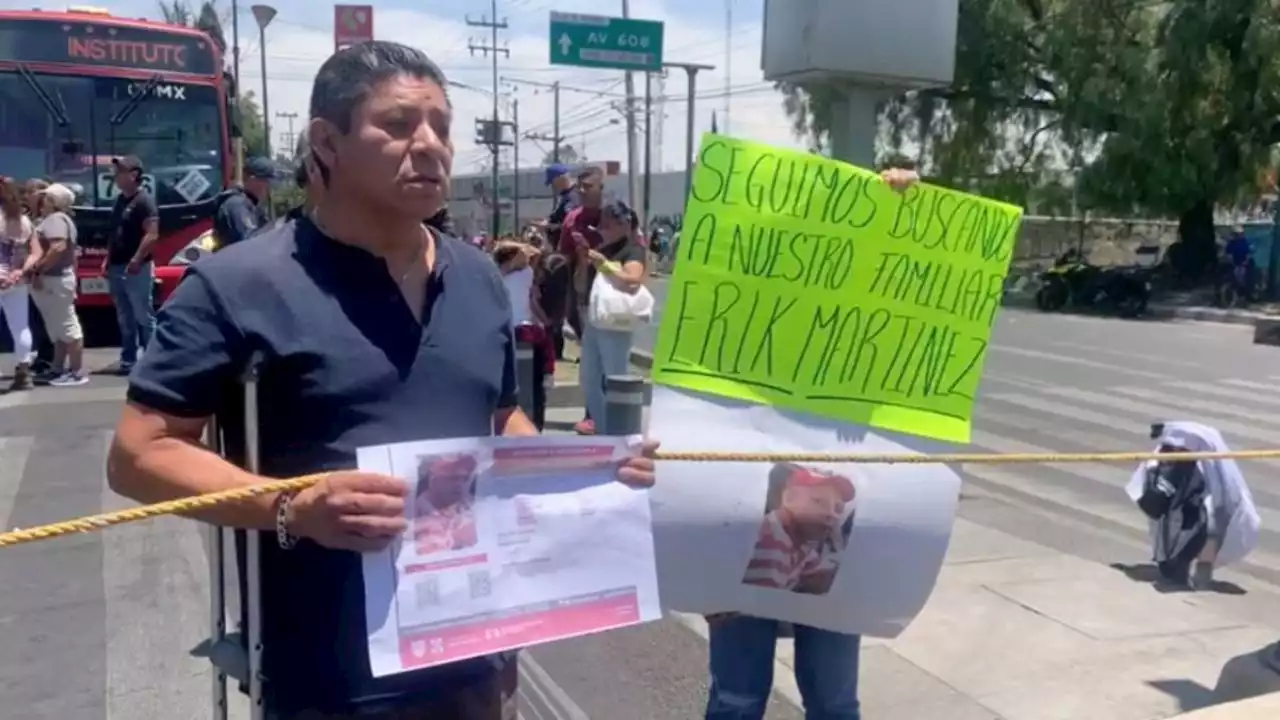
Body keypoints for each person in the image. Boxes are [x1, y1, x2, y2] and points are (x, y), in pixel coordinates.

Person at [106, 41, 656, 720]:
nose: (429, 145)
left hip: (472, 655)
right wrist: (293, 508)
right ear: (325, 143)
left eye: (441, 127)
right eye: (397, 125)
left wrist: (580, 473)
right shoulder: (239, 285)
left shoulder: (480, 277)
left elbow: (498, 420)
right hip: (325, 677)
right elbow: (140, 454)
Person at [704, 166, 920, 720]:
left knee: (834, 701)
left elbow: (912, 295)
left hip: (838, 543)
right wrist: (697, 567)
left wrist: (893, 209)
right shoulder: (736, 330)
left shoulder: (865, 336)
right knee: (736, 698)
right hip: (741, 539)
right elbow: (699, 437)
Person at [574, 199, 647, 435]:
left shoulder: (633, 250)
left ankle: (621, 431)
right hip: (595, 321)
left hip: (616, 322)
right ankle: (605, 428)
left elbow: (633, 280)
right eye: (601, 226)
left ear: (623, 225)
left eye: (607, 225)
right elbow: (580, 286)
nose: (602, 231)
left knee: (616, 378)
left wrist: (604, 265)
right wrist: (584, 263)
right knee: (588, 379)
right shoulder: (602, 251)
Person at [28, 183, 87, 386]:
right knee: (57, 329)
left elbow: (58, 247)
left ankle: (77, 371)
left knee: (67, 326)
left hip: (55, 279)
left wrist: (38, 269)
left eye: (46, 197)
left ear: (54, 201)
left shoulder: (56, 220)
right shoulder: (55, 219)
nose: (40, 200)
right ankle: (58, 368)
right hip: (54, 279)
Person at [105, 155, 158, 375]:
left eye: (120, 172)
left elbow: (152, 234)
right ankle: (128, 359)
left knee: (143, 315)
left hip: (137, 268)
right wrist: (107, 260)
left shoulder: (144, 201)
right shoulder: (120, 200)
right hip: (117, 267)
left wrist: (136, 259)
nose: (115, 177)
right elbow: (115, 233)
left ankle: (154, 359)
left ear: (134, 175)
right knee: (124, 316)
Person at [0, 177, 42, 390]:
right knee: (20, 327)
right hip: (16, 280)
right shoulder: (23, 221)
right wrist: (19, 271)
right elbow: (36, 253)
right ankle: (24, 372)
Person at [21, 179, 55, 373]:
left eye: (30, 192)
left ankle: (47, 359)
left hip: (43, 274)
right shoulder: (29, 216)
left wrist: (39, 269)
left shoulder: (48, 219)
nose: (26, 196)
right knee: (34, 318)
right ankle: (41, 355)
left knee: (45, 318)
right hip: (29, 273)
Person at [213, 156, 282, 249]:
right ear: (252, 179)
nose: (268, 187)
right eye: (266, 181)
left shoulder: (250, 205)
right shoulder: (237, 205)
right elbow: (250, 243)